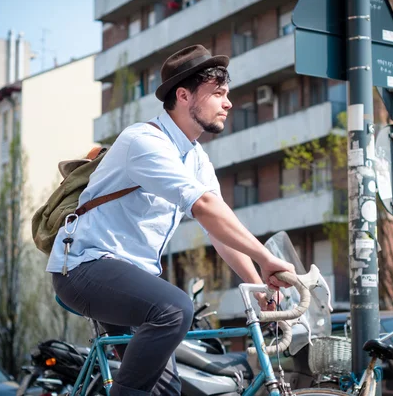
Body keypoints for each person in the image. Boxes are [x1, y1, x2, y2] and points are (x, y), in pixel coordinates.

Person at [46, 45, 296, 396]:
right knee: (176, 308)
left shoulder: (195, 157)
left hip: (128, 276)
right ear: (184, 95)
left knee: (166, 390)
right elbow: (204, 207)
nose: (228, 103)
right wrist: (267, 258)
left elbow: (219, 228)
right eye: (219, 94)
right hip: (85, 267)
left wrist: (257, 284)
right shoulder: (144, 141)